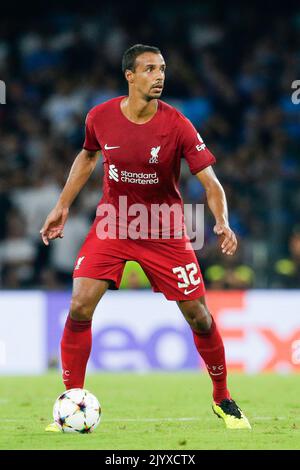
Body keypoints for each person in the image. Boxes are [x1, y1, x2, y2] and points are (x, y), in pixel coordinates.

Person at [40, 44, 251, 431]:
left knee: (199, 317)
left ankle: (223, 398)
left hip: (165, 229)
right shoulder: (100, 117)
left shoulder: (178, 124)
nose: (160, 76)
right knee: (80, 305)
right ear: (130, 76)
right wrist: (62, 205)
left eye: (163, 68)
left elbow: (211, 182)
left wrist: (221, 221)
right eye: (150, 69)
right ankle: (72, 400)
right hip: (114, 224)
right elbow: (88, 157)